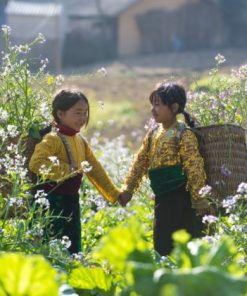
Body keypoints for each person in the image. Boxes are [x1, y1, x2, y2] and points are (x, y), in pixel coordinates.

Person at [120, 82, 213, 256]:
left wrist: (199, 200)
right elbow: (140, 163)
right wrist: (128, 189)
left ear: (174, 107)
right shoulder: (153, 134)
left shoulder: (183, 134)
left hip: (182, 198)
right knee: (162, 242)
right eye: (152, 104)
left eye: (158, 104)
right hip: (162, 197)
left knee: (183, 244)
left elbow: (195, 167)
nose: (153, 109)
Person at [29, 89, 122, 254]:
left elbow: (95, 169)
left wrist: (114, 194)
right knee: (48, 252)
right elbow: (36, 163)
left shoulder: (80, 141)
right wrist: (68, 170)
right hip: (49, 205)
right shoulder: (53, 138)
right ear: (60, 114)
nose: (83, 118)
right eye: (77, 113)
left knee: (71, 251)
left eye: (85, 113)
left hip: (71, 204)